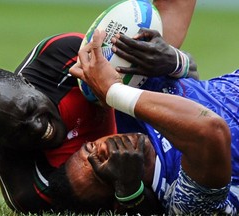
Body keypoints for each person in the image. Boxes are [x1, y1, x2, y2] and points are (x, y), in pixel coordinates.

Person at [0, 0, 197, 213]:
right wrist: (128, 188)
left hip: (104, 105)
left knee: (151, 55)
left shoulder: (60, 57)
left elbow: (187, 87)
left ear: (29, 84)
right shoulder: (27, 188)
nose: (38, 127)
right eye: (17, 133)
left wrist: (176, 61)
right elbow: (134, 204)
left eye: (30, 108)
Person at [67, 28, 239, 214]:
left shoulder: (124, 113)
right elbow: (211, 130)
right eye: (100, 171)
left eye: (91, 148)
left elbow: (191, 83)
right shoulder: (182, 201)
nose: (102, 149)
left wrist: (176, 61)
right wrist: (113, 91)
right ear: (120, 195)